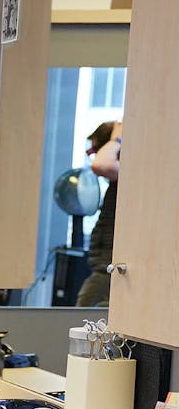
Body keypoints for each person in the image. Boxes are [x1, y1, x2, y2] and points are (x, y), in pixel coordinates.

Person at [76, 120, 120, 307]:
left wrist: (119, 137)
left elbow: (102, 165)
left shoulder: (133, 171)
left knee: (79, 327)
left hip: (110, 271)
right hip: (104, 269)